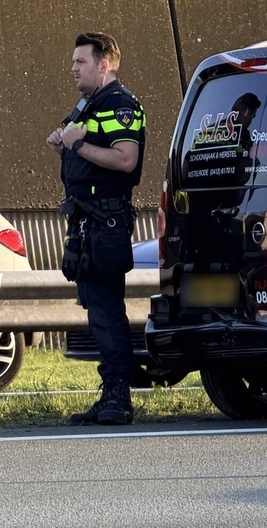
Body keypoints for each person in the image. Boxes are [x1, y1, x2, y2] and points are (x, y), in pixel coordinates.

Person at [46, 32, 146, 426]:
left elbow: (126, 160)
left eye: (80, 62)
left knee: (106, 310)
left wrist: (77, 146)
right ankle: (110, 393)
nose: (73, 68)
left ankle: (118, 397)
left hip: (105, 222)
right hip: (86, 222)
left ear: (104, 64)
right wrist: (64, 142)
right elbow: (75, 143)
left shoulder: (121, 106)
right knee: (97, 310)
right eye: (73, 62)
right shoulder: (88, 105)